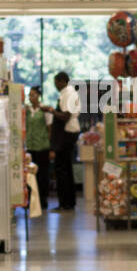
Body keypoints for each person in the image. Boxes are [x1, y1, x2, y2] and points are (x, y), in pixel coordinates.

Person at [49, 71, 80, 211]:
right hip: (68, 133)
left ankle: (64, 203)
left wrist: (51, 111)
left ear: (62, 81)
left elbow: (65, 116)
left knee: (62, 169)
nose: (56, 86)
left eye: (56, 83)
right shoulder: (69, 93)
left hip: (66, 134)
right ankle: (69, 202)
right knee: (66, 168)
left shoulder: (68, 94)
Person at [25, 85, 51, 210]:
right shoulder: (27, 111)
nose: (31, 97)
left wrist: (51, 148)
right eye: (29, 95)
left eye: (33, 94)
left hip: (43, 146)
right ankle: (31, 199)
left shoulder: (44, 110)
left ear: (38, 96)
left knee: (43, 174)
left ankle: (43, 199)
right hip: (30, 146)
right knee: (30, 174)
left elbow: (50, 129)